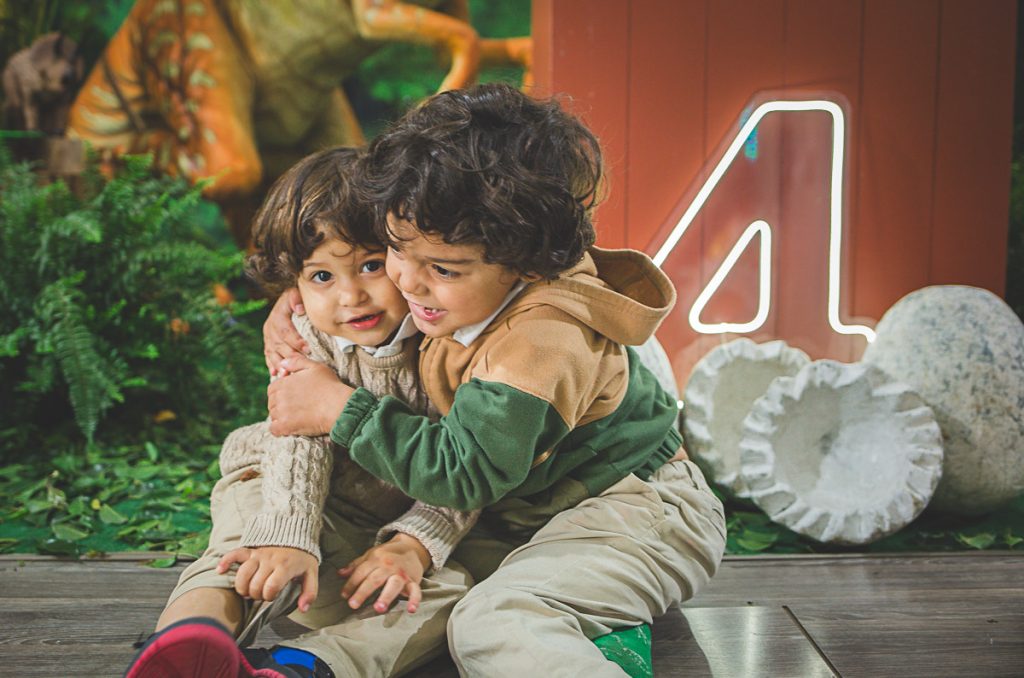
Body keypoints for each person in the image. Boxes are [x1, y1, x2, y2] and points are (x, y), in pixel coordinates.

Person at [264, 83, 727, 677]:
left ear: (529, 264)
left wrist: (339, 408)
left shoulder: (539, 341)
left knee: (495, 621)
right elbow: (354, 279)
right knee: (416, 577)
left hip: (636, 509)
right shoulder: (455, 280)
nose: (407, 281)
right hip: (529, 514)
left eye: (442, 268)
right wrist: (291, 305)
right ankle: (317, 664)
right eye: (396, 250)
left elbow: (465, 472)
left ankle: (579, 626)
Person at [125, 147, 477, 678]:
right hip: (289, 489)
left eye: (371, 265)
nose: (351, 296)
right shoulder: (307, 334)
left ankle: (307, 665)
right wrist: (288, 532)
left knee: (454, 594)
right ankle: (190, 637)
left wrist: (413, 545)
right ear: (293, 286)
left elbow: (468, 461)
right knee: (244, 534)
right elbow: (298, 435)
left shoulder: (450, 340)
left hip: (386, 535)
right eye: (320, 277)